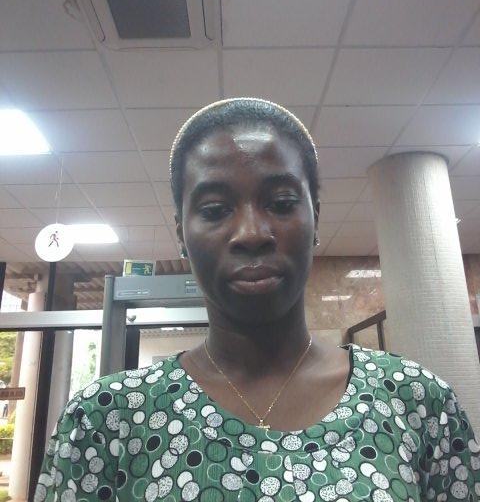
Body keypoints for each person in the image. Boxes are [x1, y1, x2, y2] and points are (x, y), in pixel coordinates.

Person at [35, 98, 480, 501]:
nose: (251, 233)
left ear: (315, 219)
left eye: (281, 203)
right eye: (214, 210)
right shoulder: (106, 422)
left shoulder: (417, 402)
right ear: (182, 235)